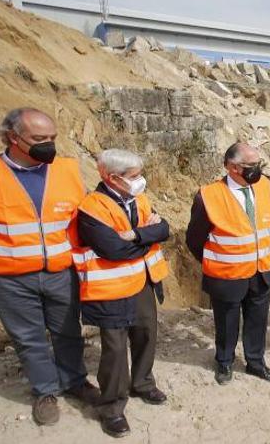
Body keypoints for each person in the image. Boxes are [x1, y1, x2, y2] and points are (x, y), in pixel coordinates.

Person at [0, 108, 98, 425]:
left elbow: (79, 216)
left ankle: (74, 381)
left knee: (68, 331)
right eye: (39, 138)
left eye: (53, 138)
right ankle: (45, 391)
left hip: (61, 270)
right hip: (8, 278)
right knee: (28, 337)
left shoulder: (67, 170)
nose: (49, 145)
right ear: (14, 138)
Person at [73, 149, 170, 438]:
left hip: (143, 281)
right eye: (134, 176)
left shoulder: (139, 199)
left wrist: (136, 235)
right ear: (113, 178)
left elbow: (163, 229)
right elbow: (113, 250)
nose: (140, 181)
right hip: (110, 287)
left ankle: (142, 383)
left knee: (145, 334)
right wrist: (146, 236)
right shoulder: (92, 208)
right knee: (115, 348)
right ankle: (112, 408)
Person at [186, 142, 270, 385]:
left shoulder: (264, 186)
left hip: (260, 270)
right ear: (232, 167)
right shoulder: (208, 195)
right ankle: (224, 362)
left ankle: (256, 363)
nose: (257, 170)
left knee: (258, 320)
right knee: (226, 322)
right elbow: (194, 239)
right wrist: (216, 261)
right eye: (251, 165)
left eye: (259, 164)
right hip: (226, 274)